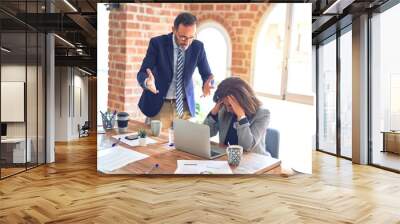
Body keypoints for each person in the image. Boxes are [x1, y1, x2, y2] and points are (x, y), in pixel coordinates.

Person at [137, 12, 214, 129]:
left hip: (184, 108)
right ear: (174, 30)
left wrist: (208, 83)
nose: (187, 42)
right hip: (160, 106)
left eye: (191, 37)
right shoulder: (158, 44)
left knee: (183, 146)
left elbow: (207, 74)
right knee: (156, 146)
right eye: (183, 37)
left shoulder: (198, 47)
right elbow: (142, 72)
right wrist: (147, 82)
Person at [203, 77, 271, 155]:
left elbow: (247, 147)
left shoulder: (263, 114)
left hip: (254, 162)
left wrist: (241, 116)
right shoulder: (225, 110)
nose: (228, 109)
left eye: (230, 105)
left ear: (243, 100)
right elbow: (206, 134)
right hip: (228, 159)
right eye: (225, 105)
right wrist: (213, 113)